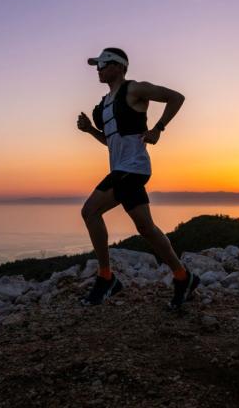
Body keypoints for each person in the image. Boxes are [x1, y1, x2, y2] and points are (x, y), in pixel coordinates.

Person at [76, 47, 200, 309]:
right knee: (146, 228)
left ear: (119, 66)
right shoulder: (104, 105)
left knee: (90, 211)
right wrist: (89, 131)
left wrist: (158, 129)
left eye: (102, 64)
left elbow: (176, 97)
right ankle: (183, 276)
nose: (98, 69)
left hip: (133, 168)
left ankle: (106, 277)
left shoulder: (134, 89)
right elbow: (110, 142)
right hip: (122, 169)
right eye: (97, 66)